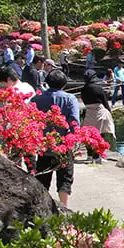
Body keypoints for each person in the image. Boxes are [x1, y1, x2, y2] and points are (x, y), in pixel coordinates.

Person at [32, 69, 80, 208]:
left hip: (44, 146)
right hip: (64, 146)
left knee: (42, 180)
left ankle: (41, 208)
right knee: (65, 179)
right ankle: (64, 208)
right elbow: (74, 122)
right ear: (64, 83)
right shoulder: (70, 99)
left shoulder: (36, 99)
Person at [80, 70, 115, 163]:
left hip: (89, 112)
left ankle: (89, 155)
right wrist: (109, 112)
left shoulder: (83, 89)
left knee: (89, 134)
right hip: (99, 112)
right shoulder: (98, 88)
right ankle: (98, 155)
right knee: (100, 134)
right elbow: (105, 101)